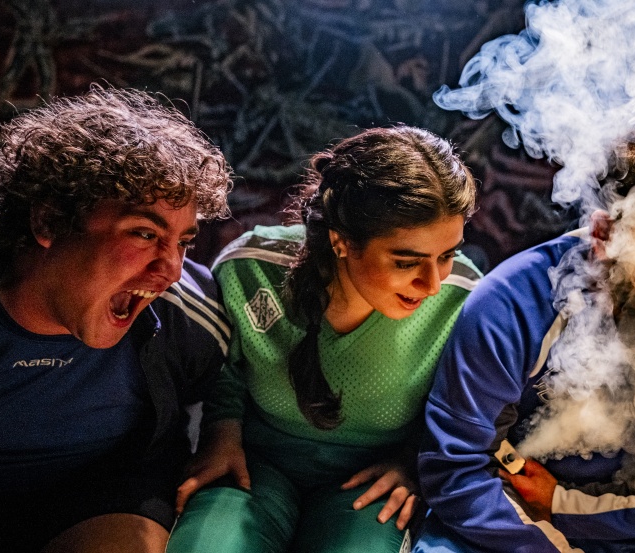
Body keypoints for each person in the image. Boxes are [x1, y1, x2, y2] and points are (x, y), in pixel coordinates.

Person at [415, 124, 635, 553]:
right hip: (514, 523)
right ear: (605, 235)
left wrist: (567, 506)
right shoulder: (514, 305)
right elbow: (458, 472)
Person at [166, 125, 480, 553]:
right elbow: (224, 367)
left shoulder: (465, 299)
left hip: (372, 480)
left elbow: (463, 412)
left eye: (447, 255)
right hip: (254, 463)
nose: (433, 284)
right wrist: (221, 433)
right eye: (407, 262)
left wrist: (413, 462)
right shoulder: (251, 269)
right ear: (342, 242)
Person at [0, 86, 233, 553]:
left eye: (183, 241)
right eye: (145, 233)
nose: (171, 270)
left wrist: (225, 430)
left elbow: (243, 371)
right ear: (49, 222)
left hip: (98, 494)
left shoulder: (185, 312)